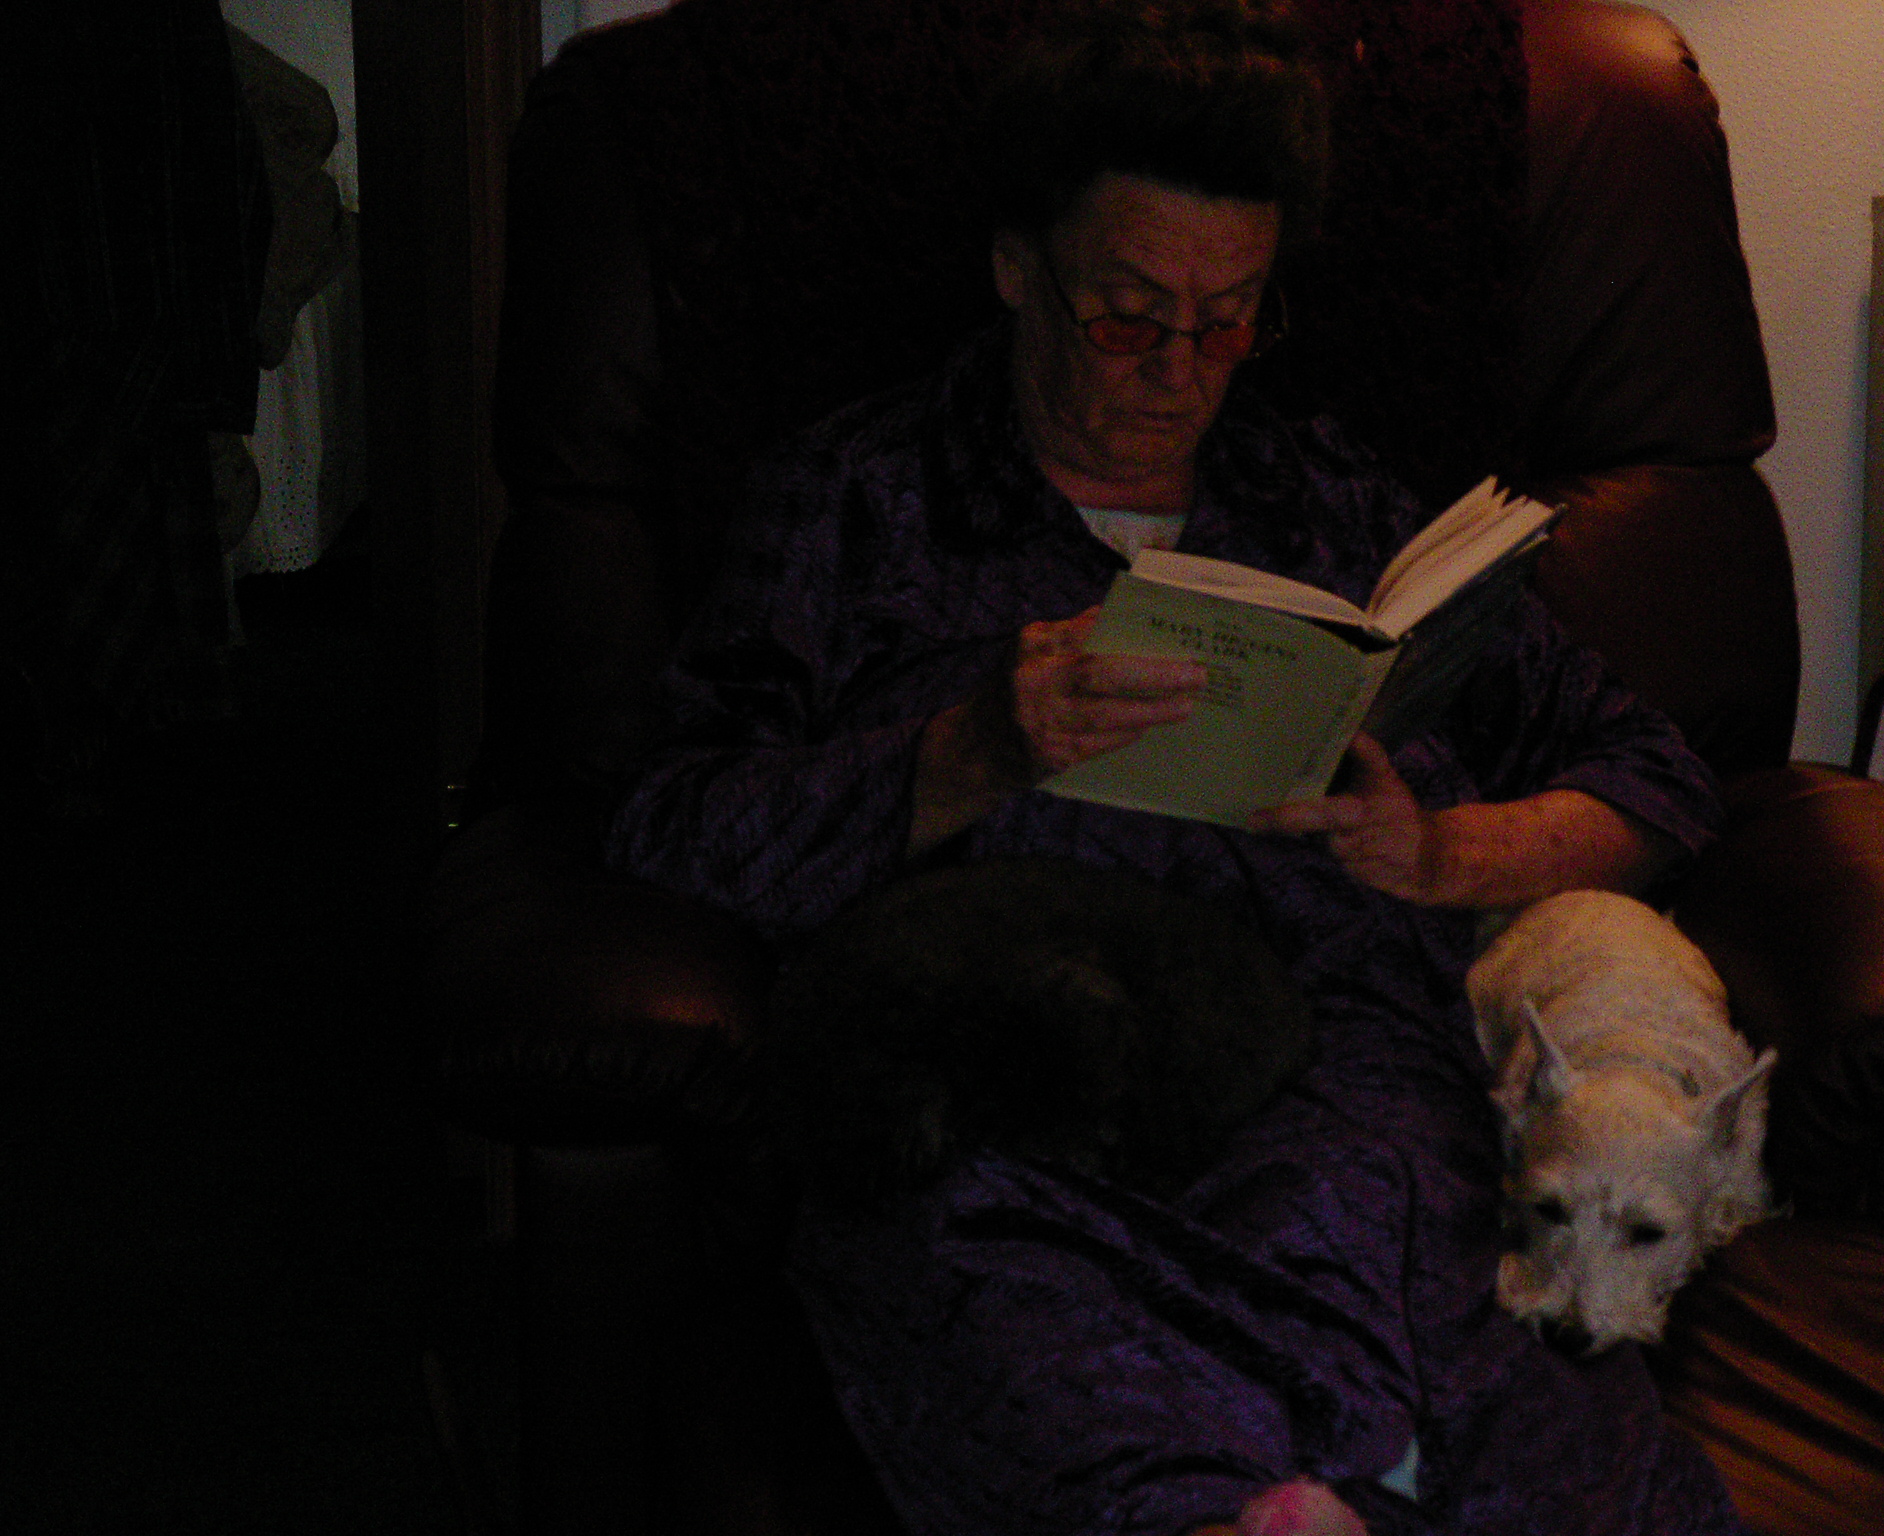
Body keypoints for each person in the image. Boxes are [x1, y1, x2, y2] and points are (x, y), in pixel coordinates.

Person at [608, 3, 1734, 1532]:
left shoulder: (1330, 502)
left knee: (1420, 1250)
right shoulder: (860, 501)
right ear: (1018, 269)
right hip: (1006, 1080)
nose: (1182, 371)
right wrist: (967, 754)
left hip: (1335, 1072)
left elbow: (1658, 773)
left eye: (1231, 318)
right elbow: (670, 821)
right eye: (1130, 315)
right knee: (975, 1249)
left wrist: (1442, 857)